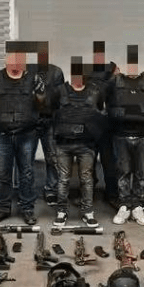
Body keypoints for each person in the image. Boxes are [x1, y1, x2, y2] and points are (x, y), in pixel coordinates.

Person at [0, 42, 46, 225]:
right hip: (3, 135)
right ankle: (3, 208)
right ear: (6, 60)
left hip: (27, 135)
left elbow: (41, 104)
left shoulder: (35, 79)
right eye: (12, 59)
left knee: (26, 173)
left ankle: (27, 209)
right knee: (3, 173)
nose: (15, 62)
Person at [106, 45, 144, 226]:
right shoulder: (114, 82)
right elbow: (106, 102)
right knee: (123, 172)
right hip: (121, 135)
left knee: (140, 174)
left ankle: (137, 206)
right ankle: (124, 206)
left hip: (143, 136)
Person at [51, 56, 104, 228]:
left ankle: (88, 212)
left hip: (86, 145)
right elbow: (52, 112)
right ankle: (61, 211)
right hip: (63, 144)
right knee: (63, 179)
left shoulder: (95, 92)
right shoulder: (60, 91)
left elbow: (99, 112)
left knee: (86, 179)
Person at [29, 41, 64, 208]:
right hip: (31, 121)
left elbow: (61, 97)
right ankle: (27, 190)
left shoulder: (56, 72)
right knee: (27, 158)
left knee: (52, 157)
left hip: (50, 121)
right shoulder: (28, 71)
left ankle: (51, 190)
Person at [87, 41, 120, 204]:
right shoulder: (87, 72)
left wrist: (116, 76)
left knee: (109, 164)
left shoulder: (112, 70)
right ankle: (88, 194)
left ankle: (112, 195)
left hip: (107, 127)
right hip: (91, 126)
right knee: (89, 164)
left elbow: (118, 92)